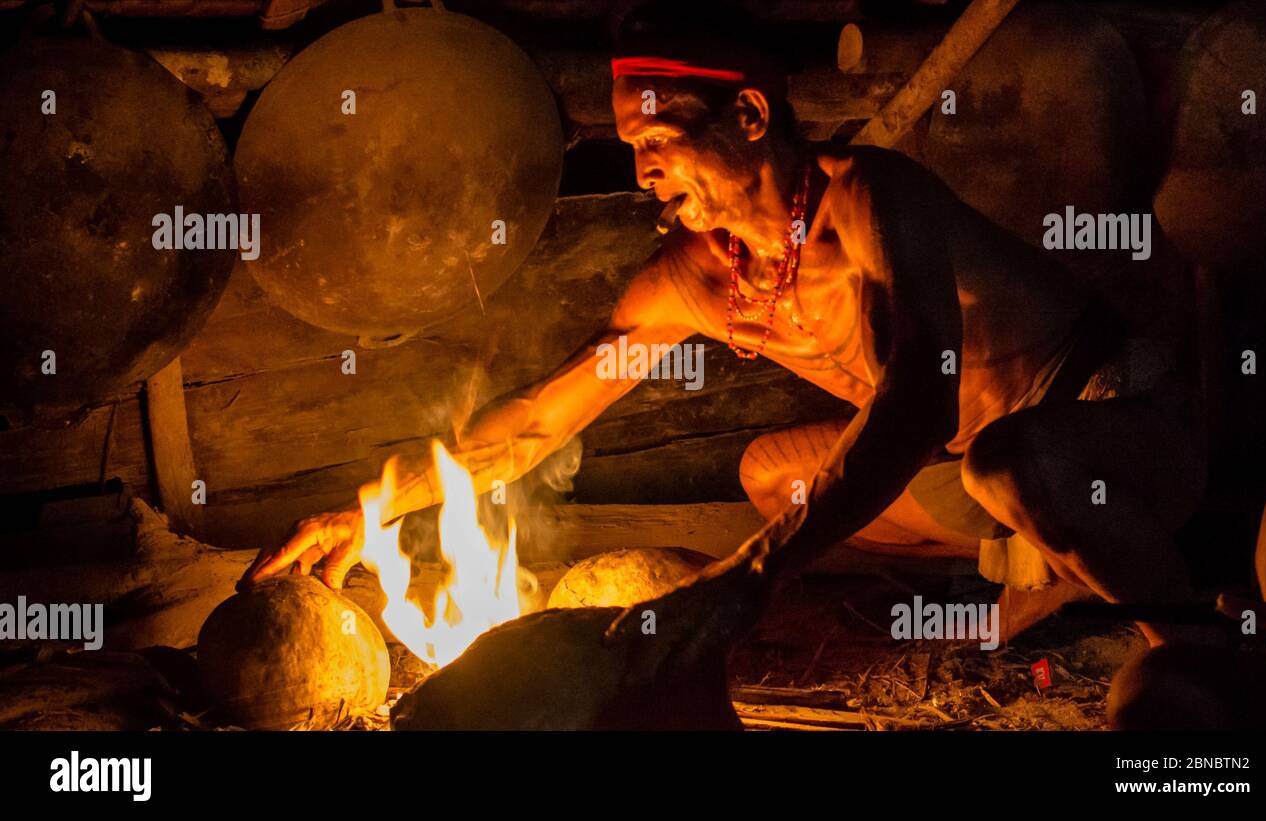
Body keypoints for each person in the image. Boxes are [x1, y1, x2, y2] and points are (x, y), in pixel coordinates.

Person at [240, 2, 1211, 647]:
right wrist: (370, 508)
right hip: (976, 473)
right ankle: (1045, 572)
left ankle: (1197, 647)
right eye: (631, 149)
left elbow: (918, 397)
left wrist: (755, 572)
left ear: (748, 114)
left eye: (659, 140)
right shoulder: (694, 282)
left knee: (1006, 463)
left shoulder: (872, 198)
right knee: (770, 476)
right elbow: (540, 420)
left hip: (1108, 421)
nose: (643, 173)